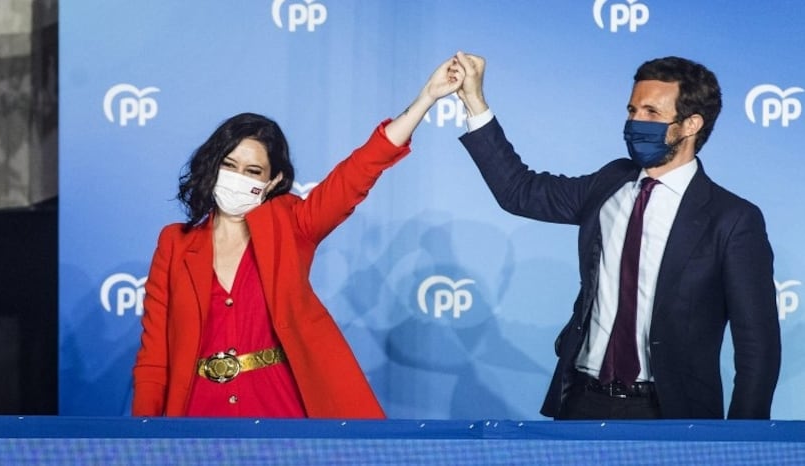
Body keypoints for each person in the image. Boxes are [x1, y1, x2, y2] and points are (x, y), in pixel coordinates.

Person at [453, 52, 781, 420]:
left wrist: (739, 440)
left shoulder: (732, 219)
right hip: (582, 403)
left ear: (691, 125)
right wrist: (474, 101)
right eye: (632, 110)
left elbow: (758, 347)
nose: (636, 122)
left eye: (651, 113)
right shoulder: (609, 182)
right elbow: (519, 192)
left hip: (672, 415)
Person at [131, 57, 464, 418]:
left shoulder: (292, 224)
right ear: (212, 167)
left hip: (279, 407)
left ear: (272, 180)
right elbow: (154, 358)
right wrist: (143, 436)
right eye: (228, 165)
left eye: (252, 171)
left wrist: (426, 98)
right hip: (198, 413)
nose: (237, 177)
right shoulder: (174, 243)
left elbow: (356, 173)